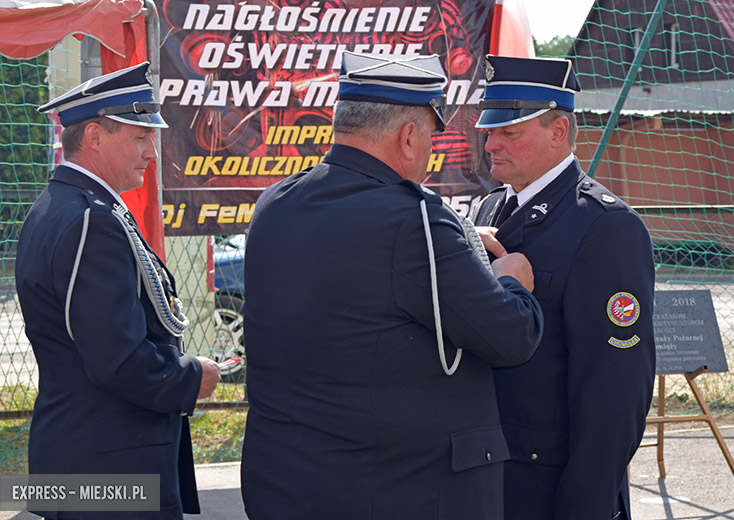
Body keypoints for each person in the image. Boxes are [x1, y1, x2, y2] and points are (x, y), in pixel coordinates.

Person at [240, 52, 544, 519]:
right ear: (407, 136)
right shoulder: (414, 221)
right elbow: (509, 338)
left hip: (287, 484)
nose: (428, 153)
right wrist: (512, 283)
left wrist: (458, 236)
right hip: (397, 491)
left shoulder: (277, 201)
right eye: (429, 138)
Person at [15, 62, 221, 519]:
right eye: (140, 137)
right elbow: (118, 359)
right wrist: (192, 376)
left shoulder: (64, 206)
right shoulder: (92, 219)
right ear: (94, 137)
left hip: (88, 458)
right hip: (109, 469)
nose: (152, 152)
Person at [469, 55, 656, 520]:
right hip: (488, 478)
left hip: (549, 488)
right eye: (489, 131)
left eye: (509, 132)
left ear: (558, 132)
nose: (491, 144)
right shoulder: (489, 211)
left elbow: (615, 396)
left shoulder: (605, 227)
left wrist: (584, 508)